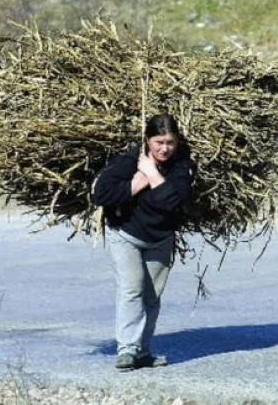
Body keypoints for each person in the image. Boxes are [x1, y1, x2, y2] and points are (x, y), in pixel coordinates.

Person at [93, 114, 194, 371]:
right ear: (148, 140)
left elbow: (174, 201)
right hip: (125, 235)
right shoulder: (130, 160)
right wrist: (136, 184)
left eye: (170, 142)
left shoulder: (181, 164)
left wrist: (152, 174)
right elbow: (101, 193)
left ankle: (143, 351)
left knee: (151, 297)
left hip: (160, 239)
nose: (164, 148)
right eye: (159, 142)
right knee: (132, 288)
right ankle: (127, 350)